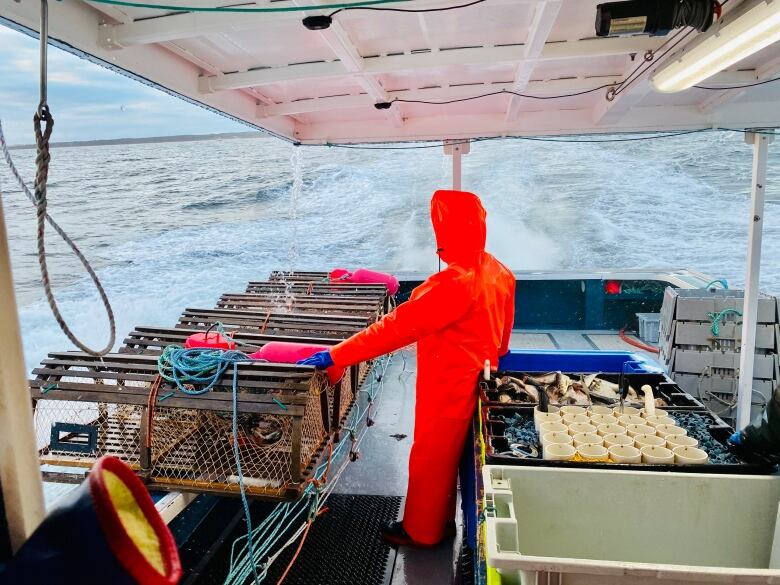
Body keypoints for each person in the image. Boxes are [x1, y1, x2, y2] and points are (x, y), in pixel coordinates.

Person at [300, 189, 515, 547]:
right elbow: (504, 335)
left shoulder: (452, 285)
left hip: (449, 384)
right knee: (452, 458)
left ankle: (422, 531)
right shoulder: (498, 271)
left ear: (447, 233)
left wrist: (336, 355)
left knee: (432, 457)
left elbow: (394, 329)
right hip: (483, 375)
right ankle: (440, 521)